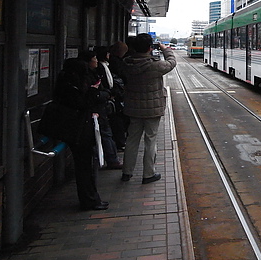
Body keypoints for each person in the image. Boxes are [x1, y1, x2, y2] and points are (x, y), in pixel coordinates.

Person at [53, 57, 109, 210]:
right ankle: (89, 200)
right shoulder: (72, 88)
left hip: (76, 130)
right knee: (85, 166)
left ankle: (91, 198)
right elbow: (83, 104)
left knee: (85, 166)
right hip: (79, 131)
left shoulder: (65, 84)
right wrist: (94, 91)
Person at [121, 34, 176, 184]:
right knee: (150, 140)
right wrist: (166, 50)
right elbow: (171, 63)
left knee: (132, 139)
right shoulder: (155, 65)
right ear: (150, 48)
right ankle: (148, 174)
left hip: (133, 108)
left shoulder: (127, 64)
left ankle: (127, 172)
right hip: (152, 109)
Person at [79, 50, 123, 169]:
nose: (96, 60)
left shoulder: (92, 72)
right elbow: (94, 94)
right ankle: (112, 160)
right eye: (94, 58)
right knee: (105, 134)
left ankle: (107, 158)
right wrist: (106, 94)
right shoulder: (89, 75)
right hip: (96, 110)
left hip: (96, 110)